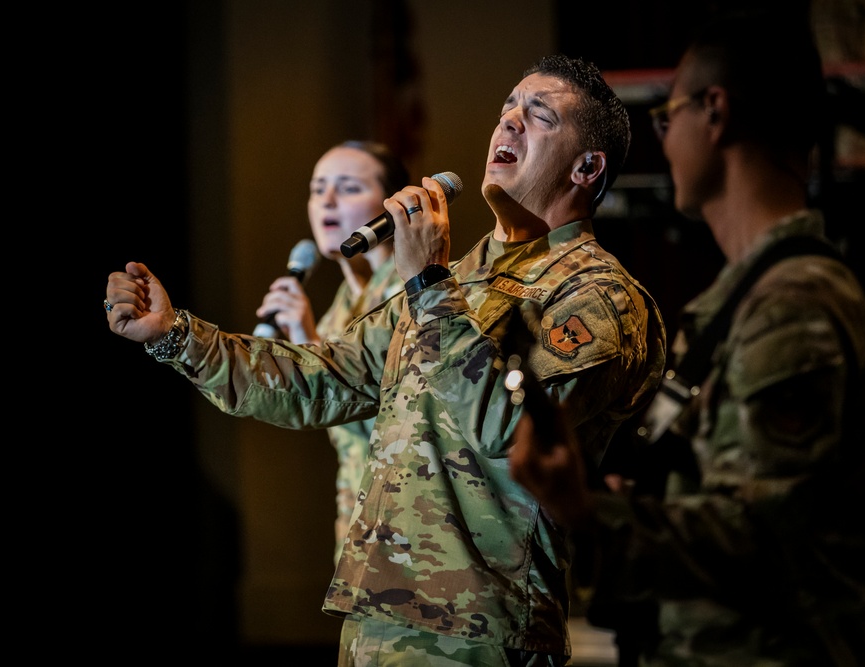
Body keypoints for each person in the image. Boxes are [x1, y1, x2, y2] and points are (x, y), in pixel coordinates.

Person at [104, 53, 665, 666]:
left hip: (480, 631)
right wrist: (174, 334)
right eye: (506, 109)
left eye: (538, 117)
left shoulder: (599, 294)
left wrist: (427, 284)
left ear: (588, 167)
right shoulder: (460, 280)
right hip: (377, 620)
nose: (507, 124)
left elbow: (509, 431)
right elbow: (318, 379)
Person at [508, 10, 865, 667]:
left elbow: (762, 539)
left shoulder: (791, 305)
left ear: (715, 112)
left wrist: (589, 510)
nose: (664, 136)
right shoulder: (746, 298)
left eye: (667, 113)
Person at [254, 139, 410, 563]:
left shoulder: (412, 290)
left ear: (391, 205)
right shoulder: (343, 300)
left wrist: (306, 338)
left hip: (410, 519)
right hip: (356, 511)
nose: (327, 200)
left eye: (348, 187)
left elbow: (382, 409)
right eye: (317, 187)